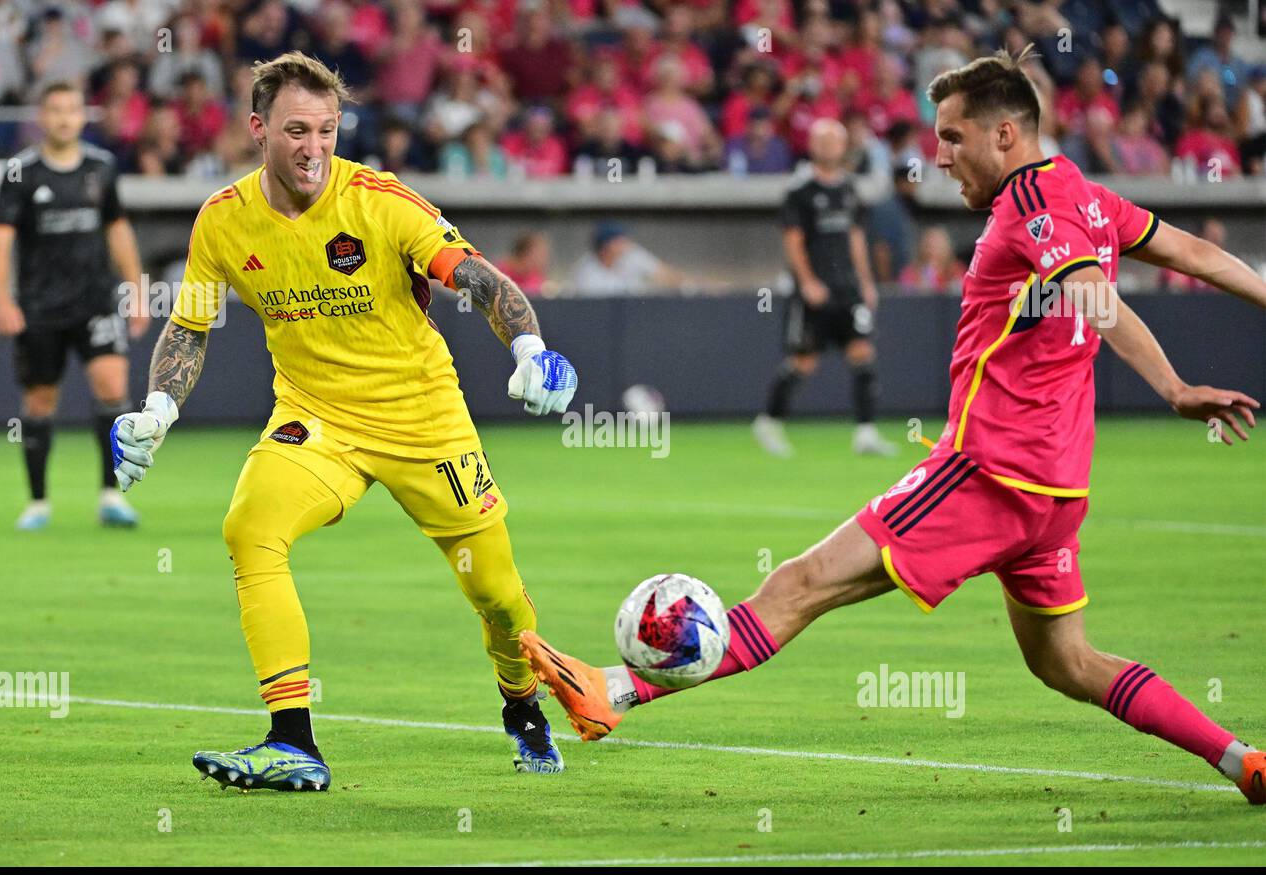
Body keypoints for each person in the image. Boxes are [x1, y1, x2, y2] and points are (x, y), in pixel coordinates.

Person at [519, 48, 1266, 807]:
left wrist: (1172, 387)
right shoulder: (1089, 197)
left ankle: (612, 689)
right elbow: (1197, 253)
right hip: (1056, 492)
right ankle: (1241, 759)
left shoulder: (1033, 207)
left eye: (951, 137)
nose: (938, 158)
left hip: (989, 472)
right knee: (1066, 663)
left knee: (801, 582)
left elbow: (1093, 296)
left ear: (1005, 134)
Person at [109, 53, 579, 790]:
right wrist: (158, 409)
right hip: (316, 419)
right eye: (298, 131)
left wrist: (530, 347)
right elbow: (191, 326)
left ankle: (522, 705)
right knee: (249, 528)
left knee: (495, 592)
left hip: (426, 421)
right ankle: (293, 740)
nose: (315, 148)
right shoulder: (225, 220)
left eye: (328, 130)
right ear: (258, 128)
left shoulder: (381, 200)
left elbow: (480, 277)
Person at [0, 81, 149, 531]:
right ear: (43, 117)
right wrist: (2, 299)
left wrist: (137, 288)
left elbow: (118, 228)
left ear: (83, 117)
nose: (64, 118)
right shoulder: (22, 171)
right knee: (41, 399)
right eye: (55, 110)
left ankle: (110, 495)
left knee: (111, 383)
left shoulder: (103, 167)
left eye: (72, 109)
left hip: (95, 301)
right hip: (40, 306)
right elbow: (0, 239)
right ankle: (38, 502)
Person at [753, 118, 896, 459]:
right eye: (822, 140)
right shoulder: (800, 192)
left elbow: (856, 238)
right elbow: (793, 240)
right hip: (816, 290)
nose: (829, 146)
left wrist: (866, 282)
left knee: (862, 353)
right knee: (803, 361)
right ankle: (769, 422)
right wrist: (807, 282)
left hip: (849, 288)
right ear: (812, 146)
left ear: (843, 146)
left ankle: (865, 432)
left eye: (835, 140)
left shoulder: (850, 190)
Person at [569, 221, 684, 295]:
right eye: (619, 241)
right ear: (605, 246)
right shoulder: (586, 270)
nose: (626, 244)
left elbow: (670, 277)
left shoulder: (633, 255)